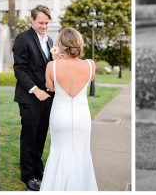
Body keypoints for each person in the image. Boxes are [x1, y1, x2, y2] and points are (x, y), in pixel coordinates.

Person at [40, 28, 98, 191]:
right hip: (82, 117)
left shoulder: (52, 66)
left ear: (61, 46)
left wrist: (56, 60)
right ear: (78, 44)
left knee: (58, 152)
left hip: (59, 116)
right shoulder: (90, 65)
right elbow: (91, 78)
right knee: (82, 152)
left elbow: (49, 88)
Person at [12, 5, 55, 191]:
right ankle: (27, 175)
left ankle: (38, 169)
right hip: (30, 97)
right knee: (29, 137)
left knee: (41, 136)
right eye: (40, 22)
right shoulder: (23, 38)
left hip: (48, 97)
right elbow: (18, 69)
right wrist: (34, 89)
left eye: (46, 23)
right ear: (32, 20)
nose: (44, 26)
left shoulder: (50, 40)